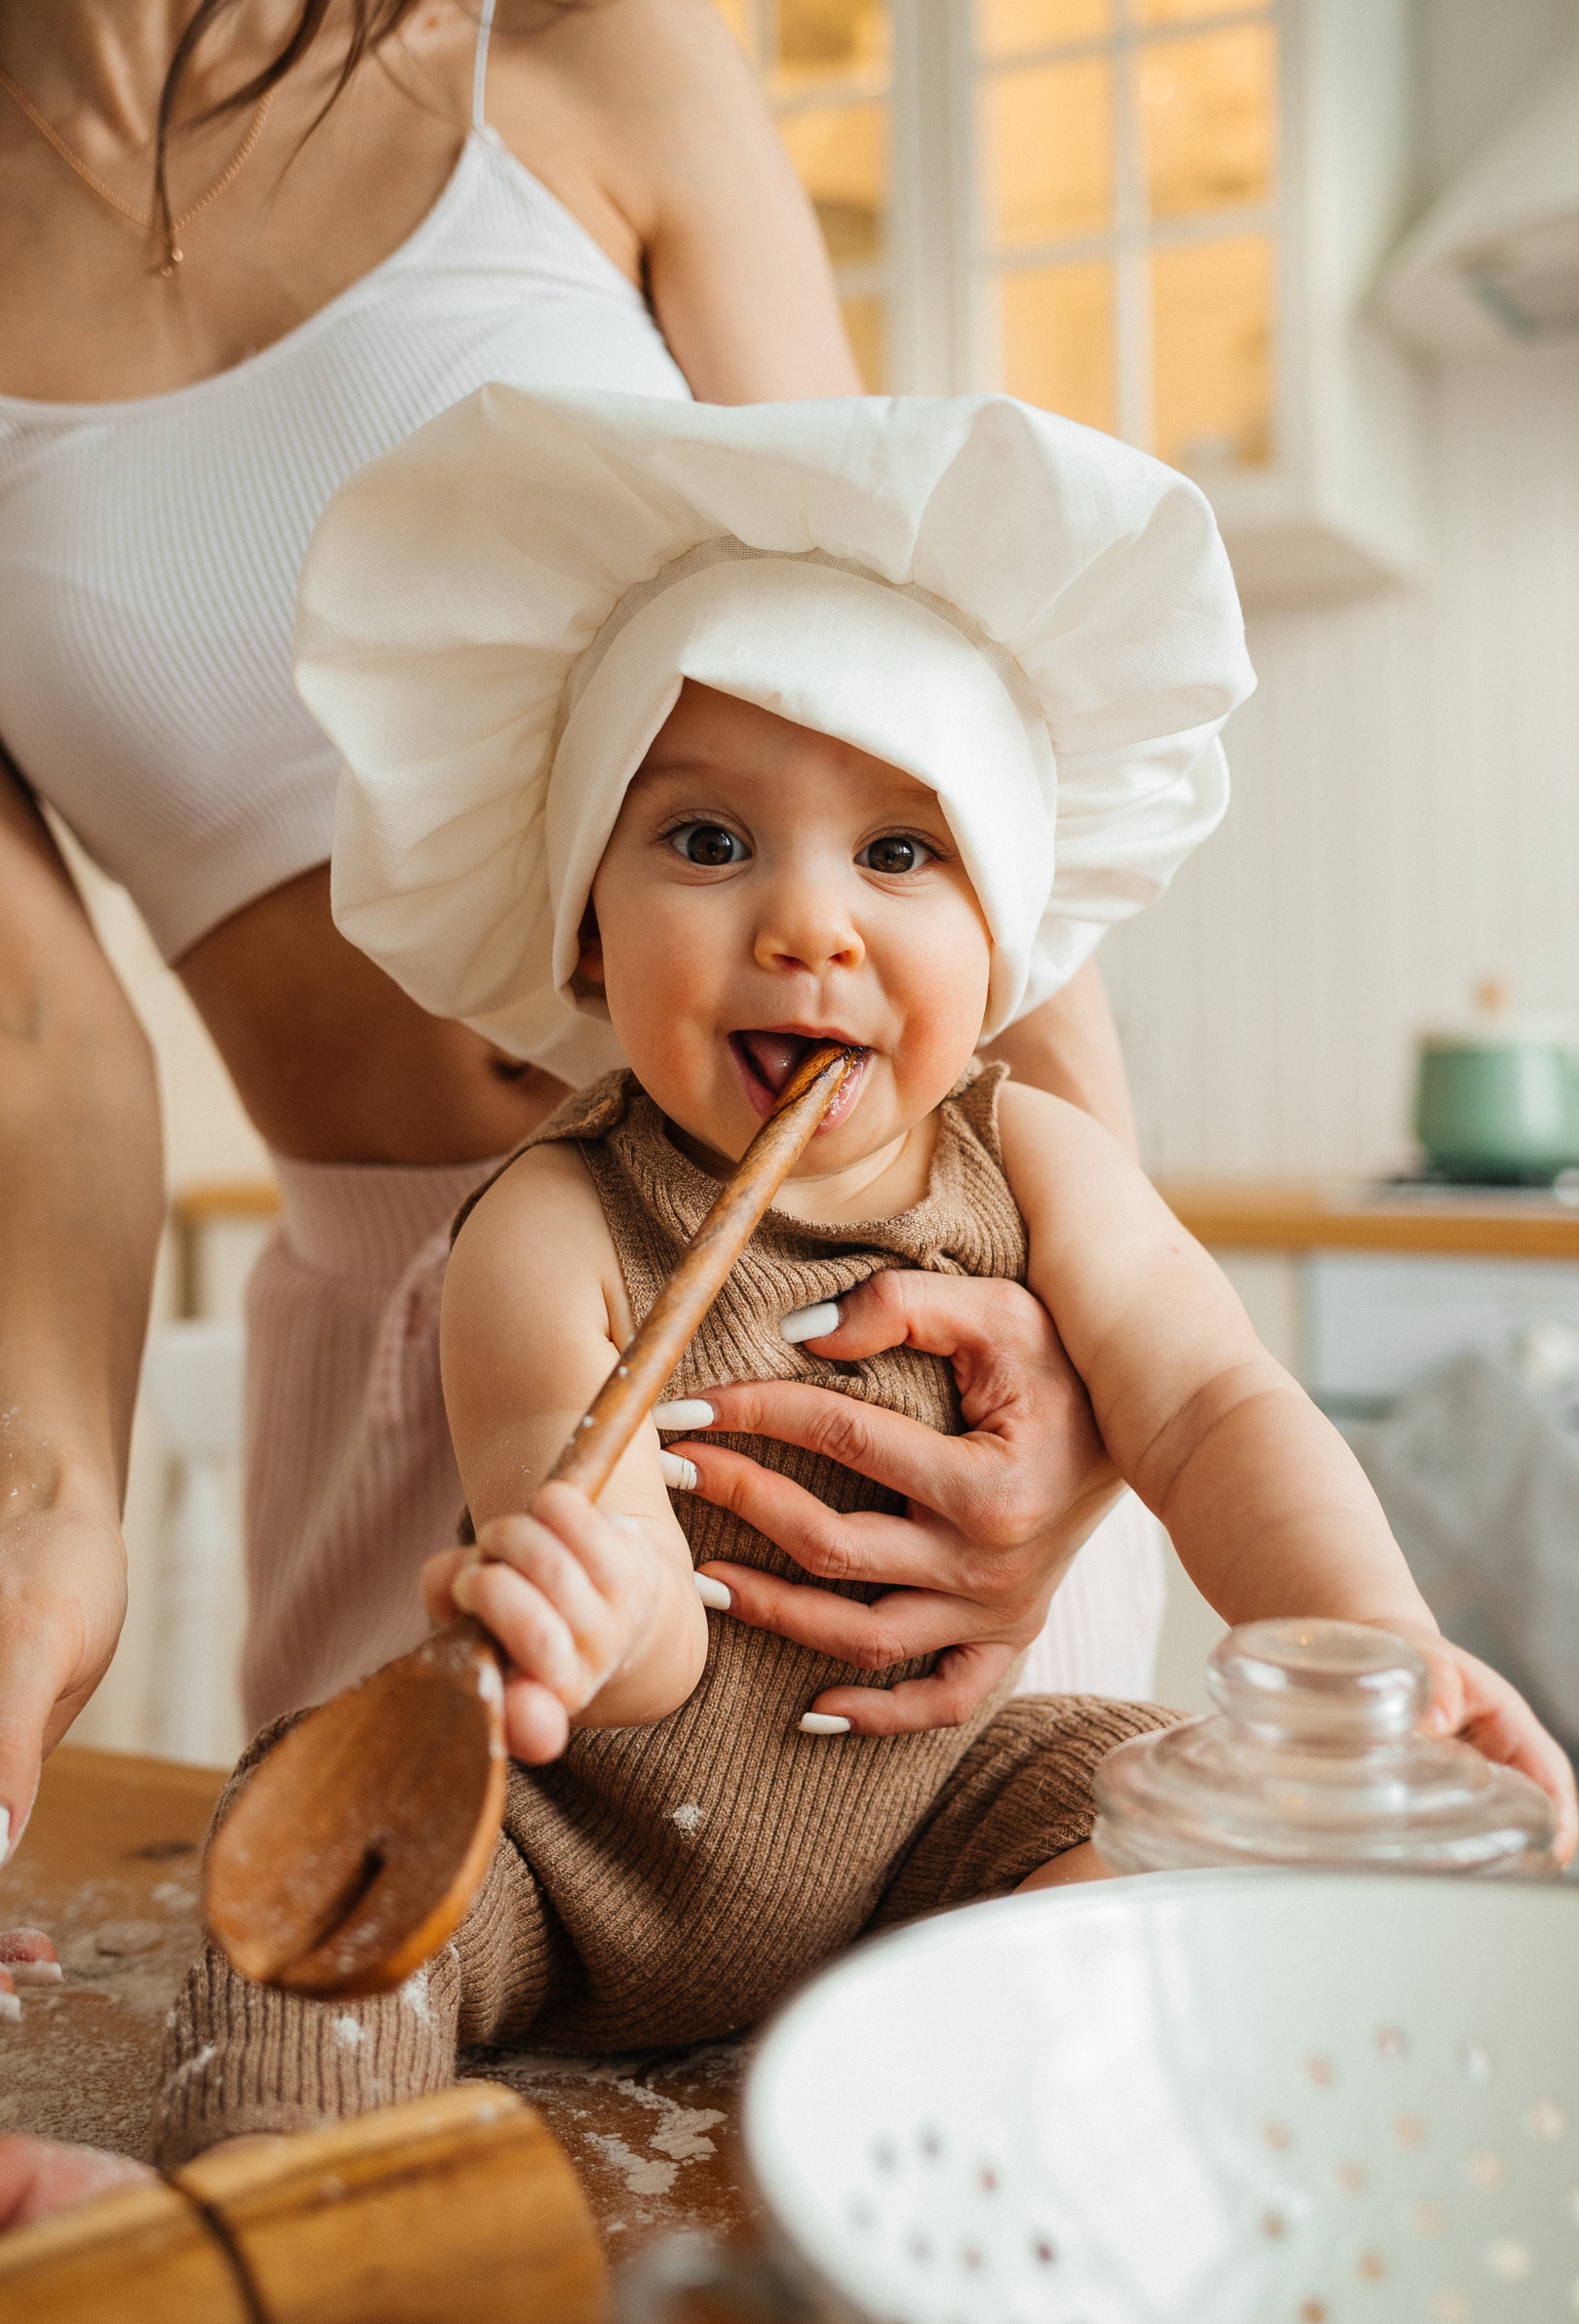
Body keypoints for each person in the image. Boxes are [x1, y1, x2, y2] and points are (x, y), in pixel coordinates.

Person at [143, 383, 1576, 2161]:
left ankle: (1027, 2151)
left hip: (928, 1828)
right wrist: (605, 1615)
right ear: (587, 927)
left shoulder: (1036, 1162)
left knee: (1154, 1813)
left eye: (900, 853)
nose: (807, 922)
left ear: (1003, 937)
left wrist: (1376, 1641)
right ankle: (274, 2222)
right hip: (574, 1869)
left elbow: (1210, 1407)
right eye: (707, 841)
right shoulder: (551, 1224)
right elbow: (636, 1628)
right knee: (300, 1899)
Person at [0, 0, 1160, 1893]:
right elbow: (36, 1029)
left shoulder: (592, 56)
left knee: (971, 2125)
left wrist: (1095, 1357)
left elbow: (925, 677)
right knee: (400, 2106)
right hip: (408, 1388)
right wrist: (44, 1508)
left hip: (872, 1334)